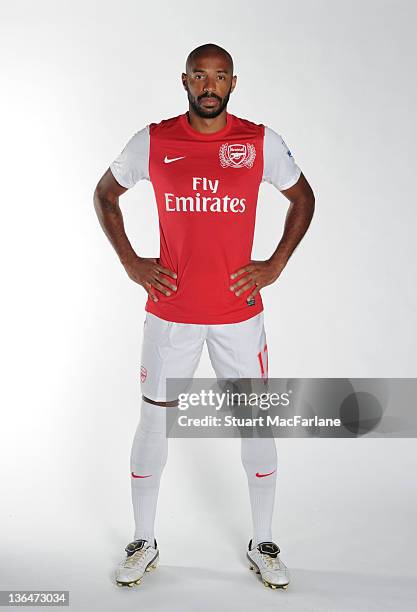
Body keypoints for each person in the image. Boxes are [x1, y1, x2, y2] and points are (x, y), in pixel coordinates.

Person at [93, 43, 315, 590]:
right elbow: (105, 194)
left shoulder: (259, 142)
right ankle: (143, 541)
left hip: (239, 315)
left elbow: (303, 197)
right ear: (185, 81)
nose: (209, 86)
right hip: (170, 314)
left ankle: (263, 541)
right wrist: (130, 260)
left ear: (233, 83)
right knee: (154, 420)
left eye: (219, 77)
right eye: (199, 76)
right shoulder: (154, 140)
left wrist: (276, 262)